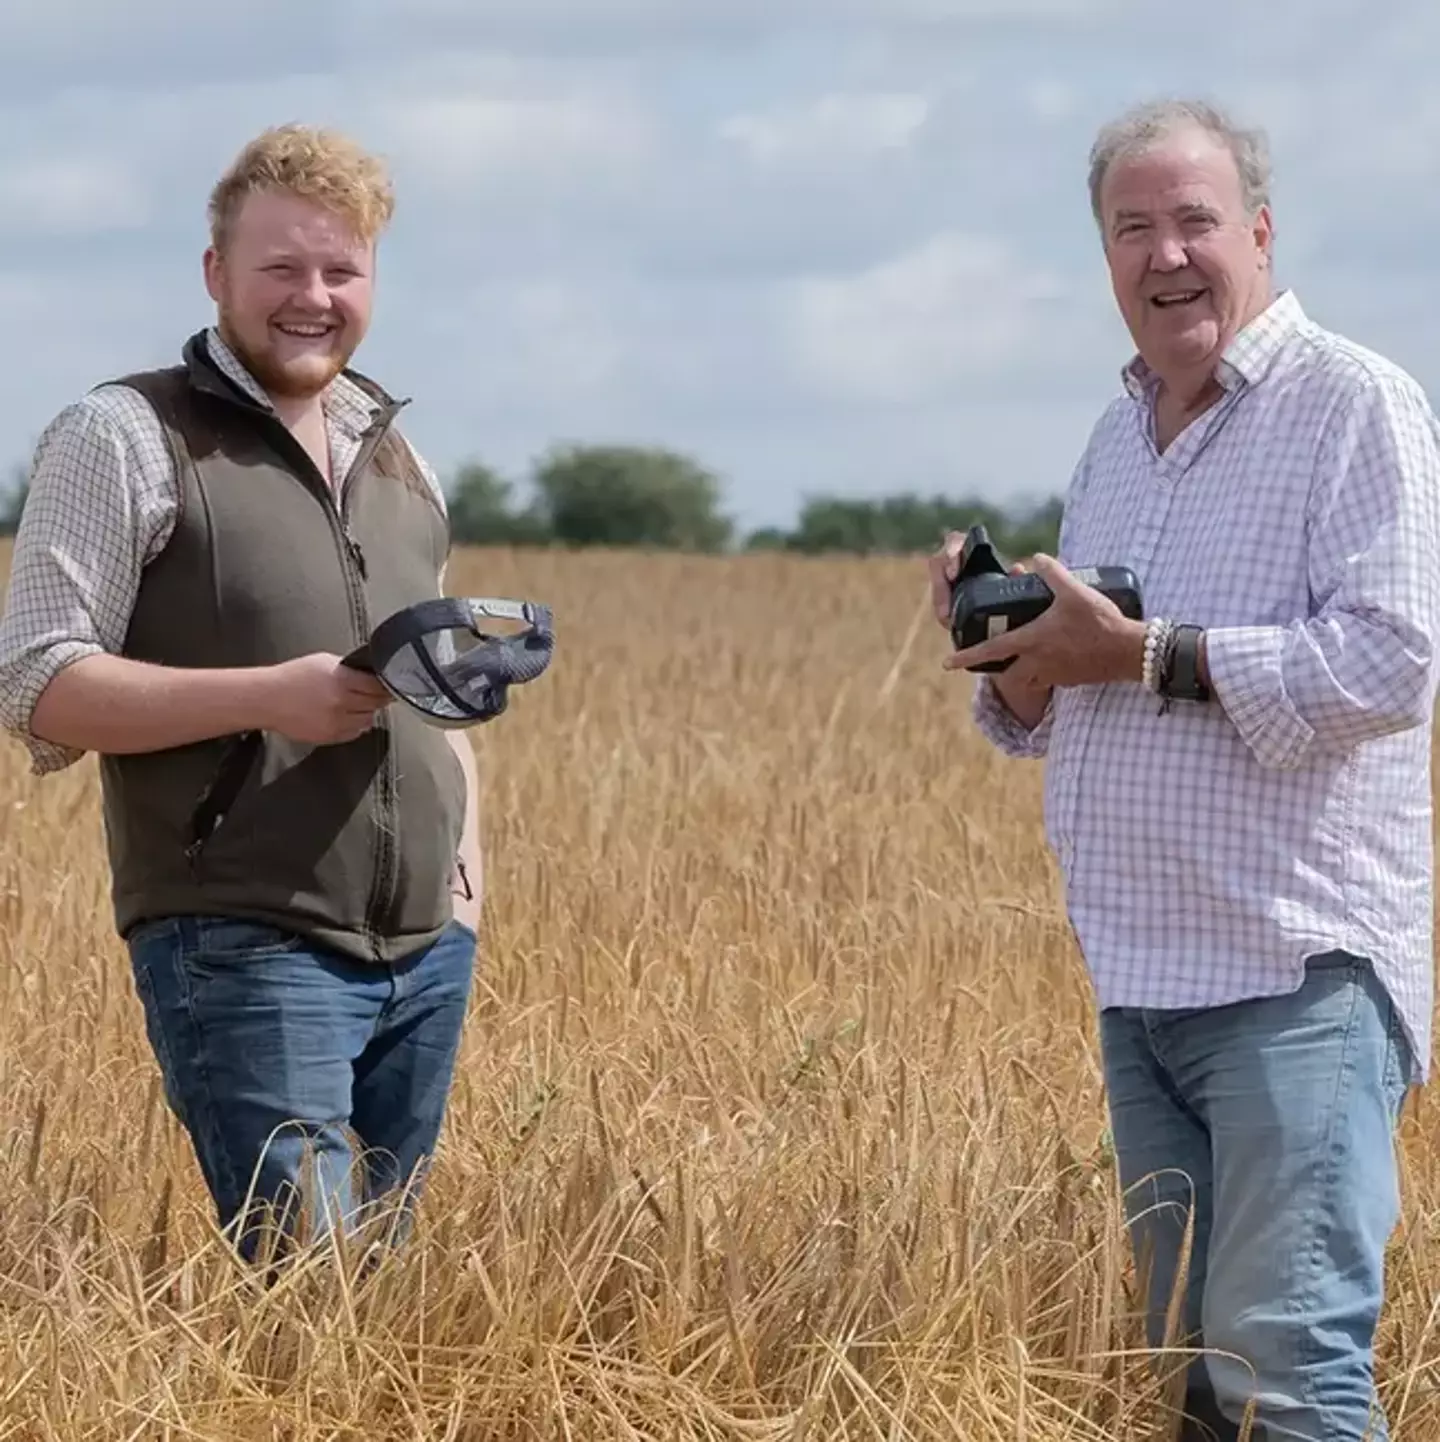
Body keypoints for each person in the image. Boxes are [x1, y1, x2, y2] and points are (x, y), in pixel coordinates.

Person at [929, 98, 1439, 1440]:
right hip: (1145, 984)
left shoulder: (1354, 403)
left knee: (1290, 1371)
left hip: (1294, 980)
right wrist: (1019, 657)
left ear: (1260, 232)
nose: (1166, 255)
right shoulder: (1121, 437)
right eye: (1132, 228)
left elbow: (1392, 664)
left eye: (1194, 222)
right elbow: (1077, 697)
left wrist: (1148, 652)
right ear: (1104, 256)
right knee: (1201, 1383)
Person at [0, 123, 485, 1266]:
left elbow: (435, 692)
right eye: (281, 268)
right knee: (310, 1287)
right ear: (216, 274)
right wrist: (274, 693)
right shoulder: (122, 434)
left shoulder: (401, 457)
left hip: (424, 947)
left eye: (340, 270)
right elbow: (37, 678)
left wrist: (469, 877)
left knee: (381, 1286)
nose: (312, 296)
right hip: (245, 941)